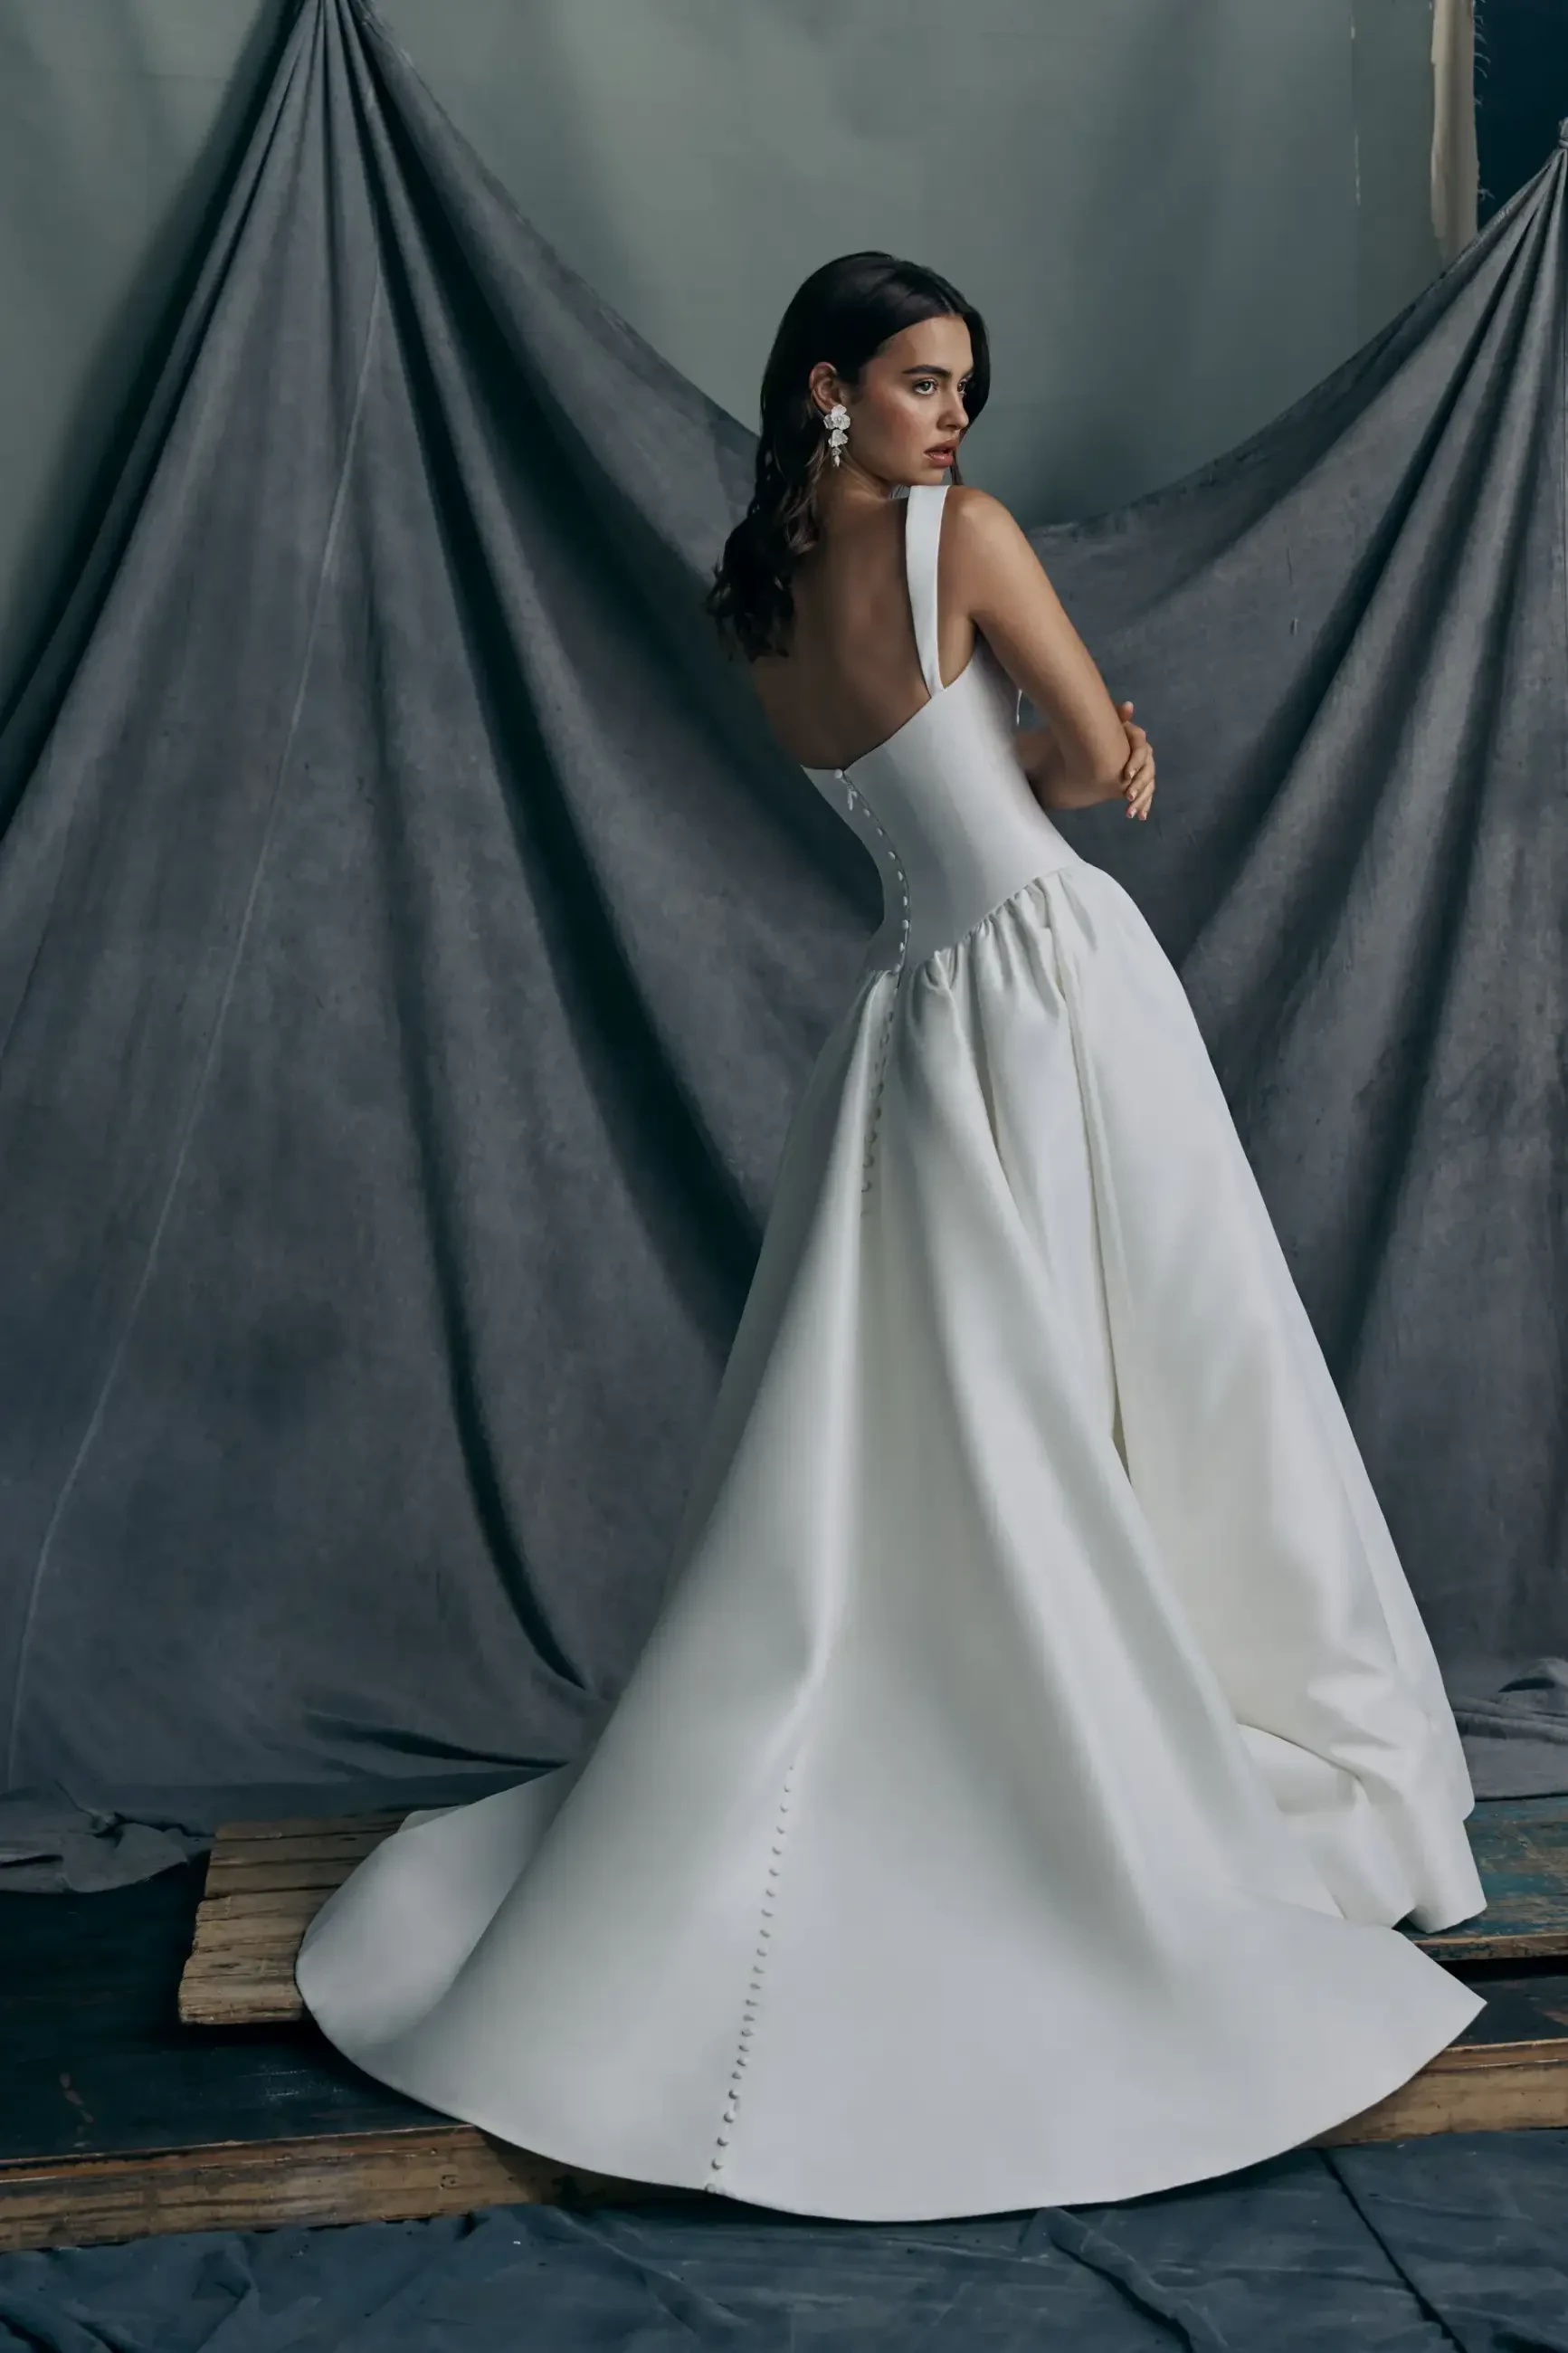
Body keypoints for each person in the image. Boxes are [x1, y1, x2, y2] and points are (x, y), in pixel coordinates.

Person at [295, 252, 1487, 2223]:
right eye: (927, 382)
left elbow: (904, 800)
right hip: (1051, 980)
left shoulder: (756, 601)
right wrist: (1101, 741)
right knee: (1169, 1375)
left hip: (913, 1017)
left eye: (967, 393)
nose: (956, 420)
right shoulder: (961, 536)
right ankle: (1142, 1768)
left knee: (969, 1428)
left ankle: (1012, 1745)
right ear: (831, 388)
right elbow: (1085, 768)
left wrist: (1033, 756)